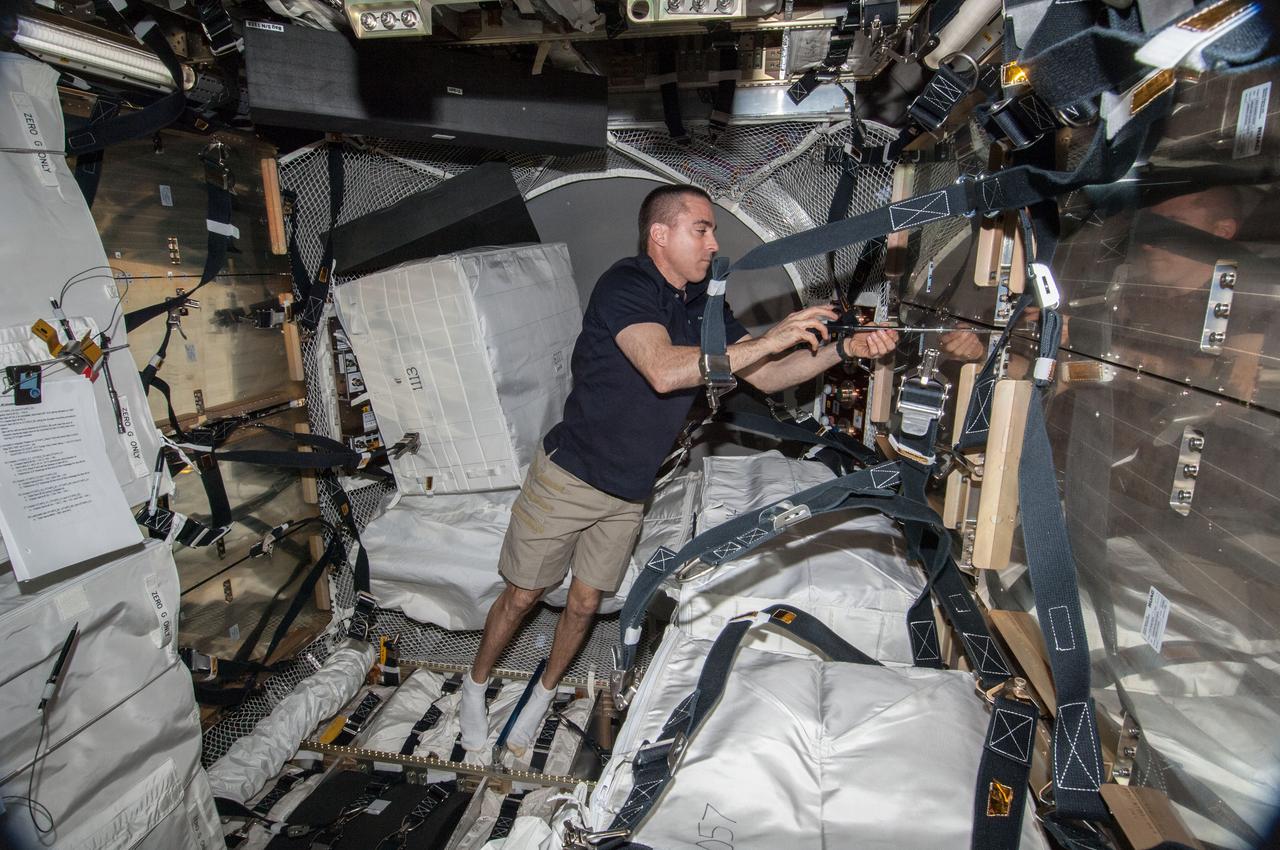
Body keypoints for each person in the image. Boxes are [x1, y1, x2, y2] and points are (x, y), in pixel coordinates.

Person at [457, 184, 899, 758]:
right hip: (571, 476)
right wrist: (770, 338)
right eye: (702, 229)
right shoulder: (627, 285)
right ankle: (475, 687)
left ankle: (542, 694)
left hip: (630, 490)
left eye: (713, 230)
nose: (714, 244)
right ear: (659, 235)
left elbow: (766, 376)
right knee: (523, 594)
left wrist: (848, 351)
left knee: (587, 603)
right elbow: (664, 371)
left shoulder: (704, 304)